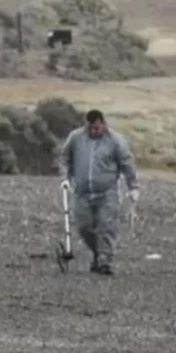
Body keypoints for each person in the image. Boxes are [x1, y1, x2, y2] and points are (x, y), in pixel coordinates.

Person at [58, 109, 140, 275]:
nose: (94, 131)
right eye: (91, 128)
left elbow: (126, 162)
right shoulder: (76, 138)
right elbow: (64, 158)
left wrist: (133, 187)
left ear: (102, 123)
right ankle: (98, 253)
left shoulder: (116, 140)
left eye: (97, 127)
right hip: (82, 192)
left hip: (107, 192)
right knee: (84, 227)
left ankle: (104, 261)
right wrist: (65, 177)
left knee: (106, 226)